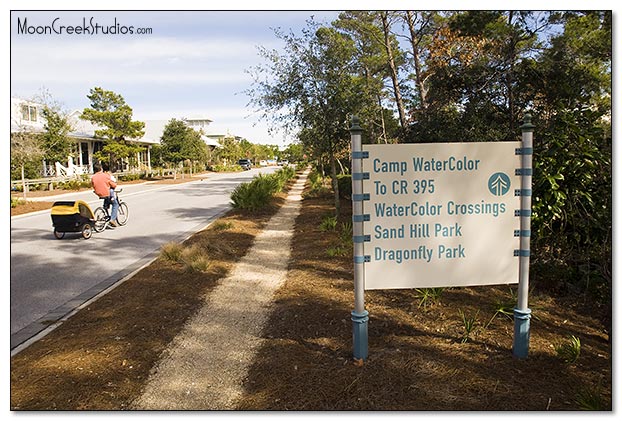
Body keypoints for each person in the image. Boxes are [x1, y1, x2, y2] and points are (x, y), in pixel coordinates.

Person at [91, 163, 119, 227]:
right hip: (107, 193)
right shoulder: (105, 175)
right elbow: (113, 184)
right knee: (115, 204)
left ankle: (105, 210)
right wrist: (114, 185)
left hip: (99, 194)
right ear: (101, 168)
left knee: (106, 202)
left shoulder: (93, 177)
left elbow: (93, 185)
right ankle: (112, 219)